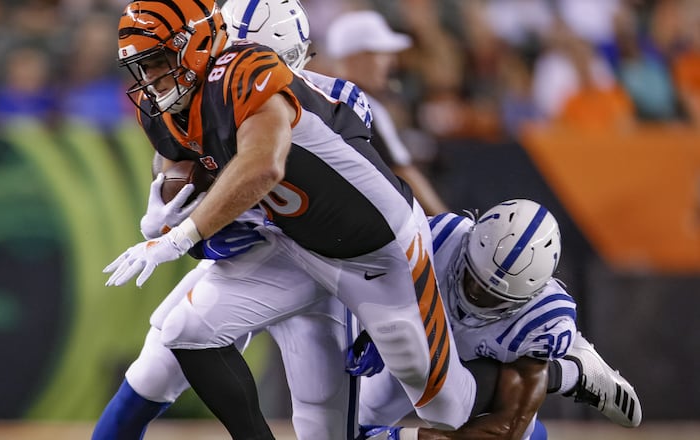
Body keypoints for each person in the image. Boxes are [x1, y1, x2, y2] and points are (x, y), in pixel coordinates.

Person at [104, 0, 478, 438]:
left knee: (443, 404)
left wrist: (181, 235)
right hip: (289, 241)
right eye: (144, 68)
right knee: (186, 331)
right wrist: (167, 205)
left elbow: (264, 166)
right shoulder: (176, 101)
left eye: (159, 63)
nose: (151, 80)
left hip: (376, 251)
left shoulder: (247, 70)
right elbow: (177, 165)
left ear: (197, 45)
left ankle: (537, 404)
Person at [93, 1, 371, 437]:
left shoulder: (336, 105)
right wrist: (169, 199)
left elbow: (383, 210)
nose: (233, 71)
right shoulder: (195, 94)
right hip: (246, 261)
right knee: (156, 364)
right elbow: (177, 159)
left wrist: (379, 302)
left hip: (320, 269)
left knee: (326, 423)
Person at [344, 199, 643, 440]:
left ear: (528, 297)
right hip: (420, 340)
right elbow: (376, 277)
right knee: (342, 427)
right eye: (472, 278)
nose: (473, 296)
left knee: (451, 416)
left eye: (492, 296)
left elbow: (505, 429)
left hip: (482, 368)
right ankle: (571, 372)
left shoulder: (541, 321)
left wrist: (408, 438)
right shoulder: (441, 236)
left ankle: (569, 373)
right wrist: (375, 326)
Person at [324, 10, 449, 215]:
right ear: (356, 57)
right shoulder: (364, 104)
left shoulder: (317, 100)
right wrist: (452, 223)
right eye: (381, 53)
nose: (392, 62)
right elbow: (404, 173)